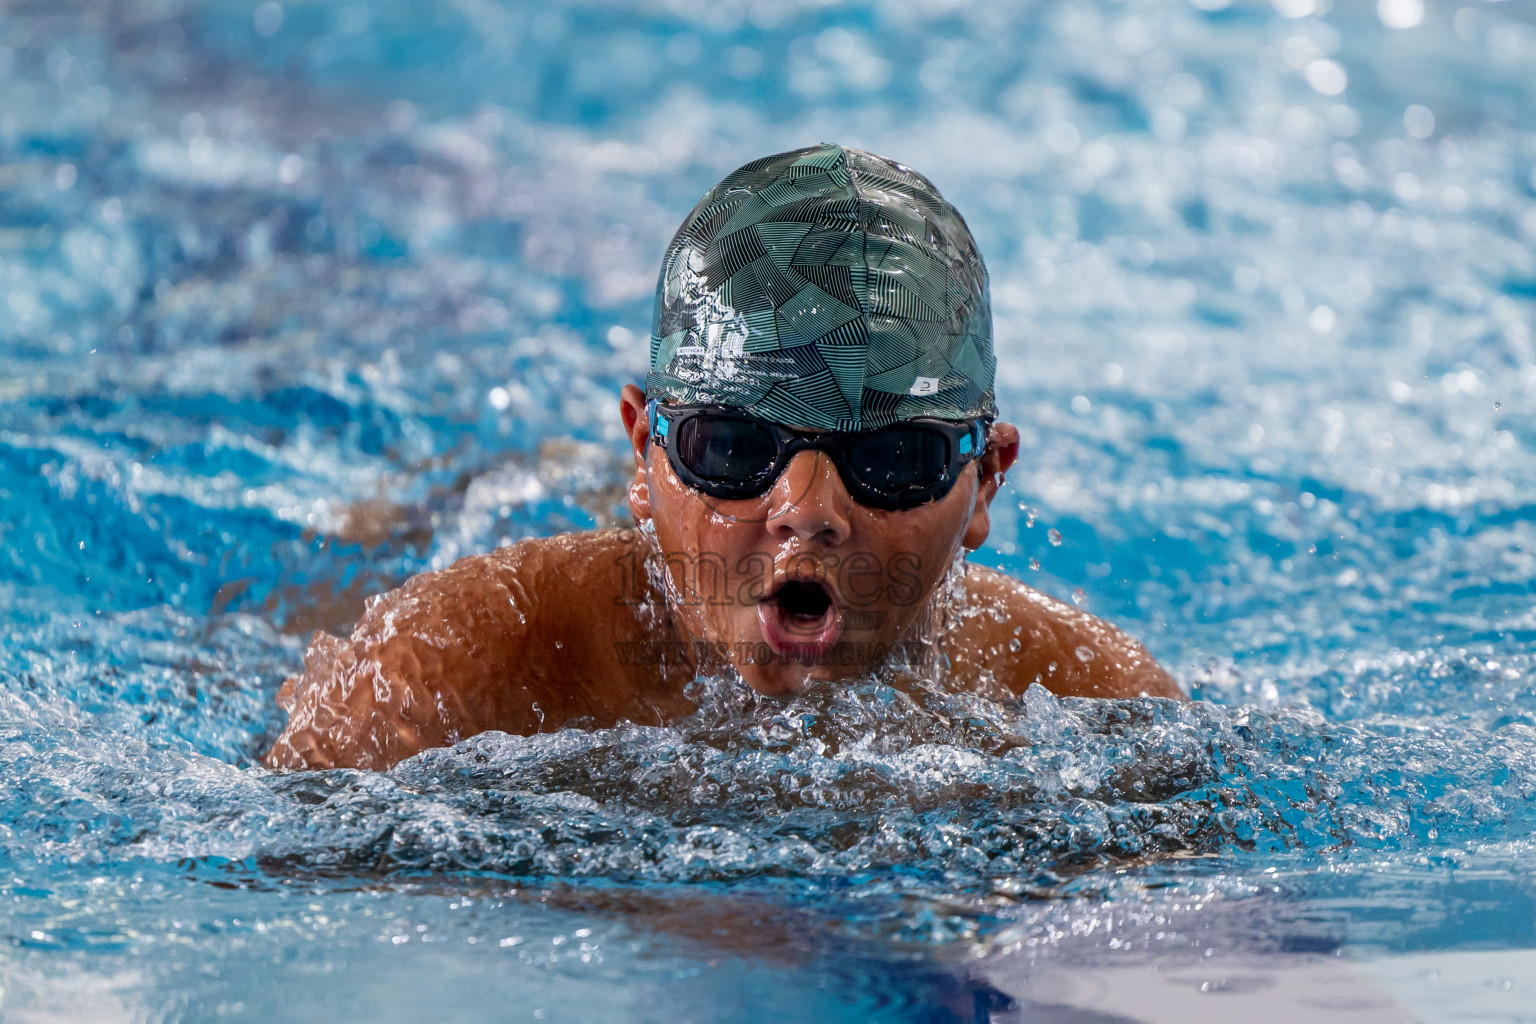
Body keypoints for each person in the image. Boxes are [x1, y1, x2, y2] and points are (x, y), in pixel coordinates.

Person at [263, 143, 1181, 772]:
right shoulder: (447, 673)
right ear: (641, 446)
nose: (808, 505)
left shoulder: (1095, 706)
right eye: (734, 447)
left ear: (986, 479)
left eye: (896, 458)